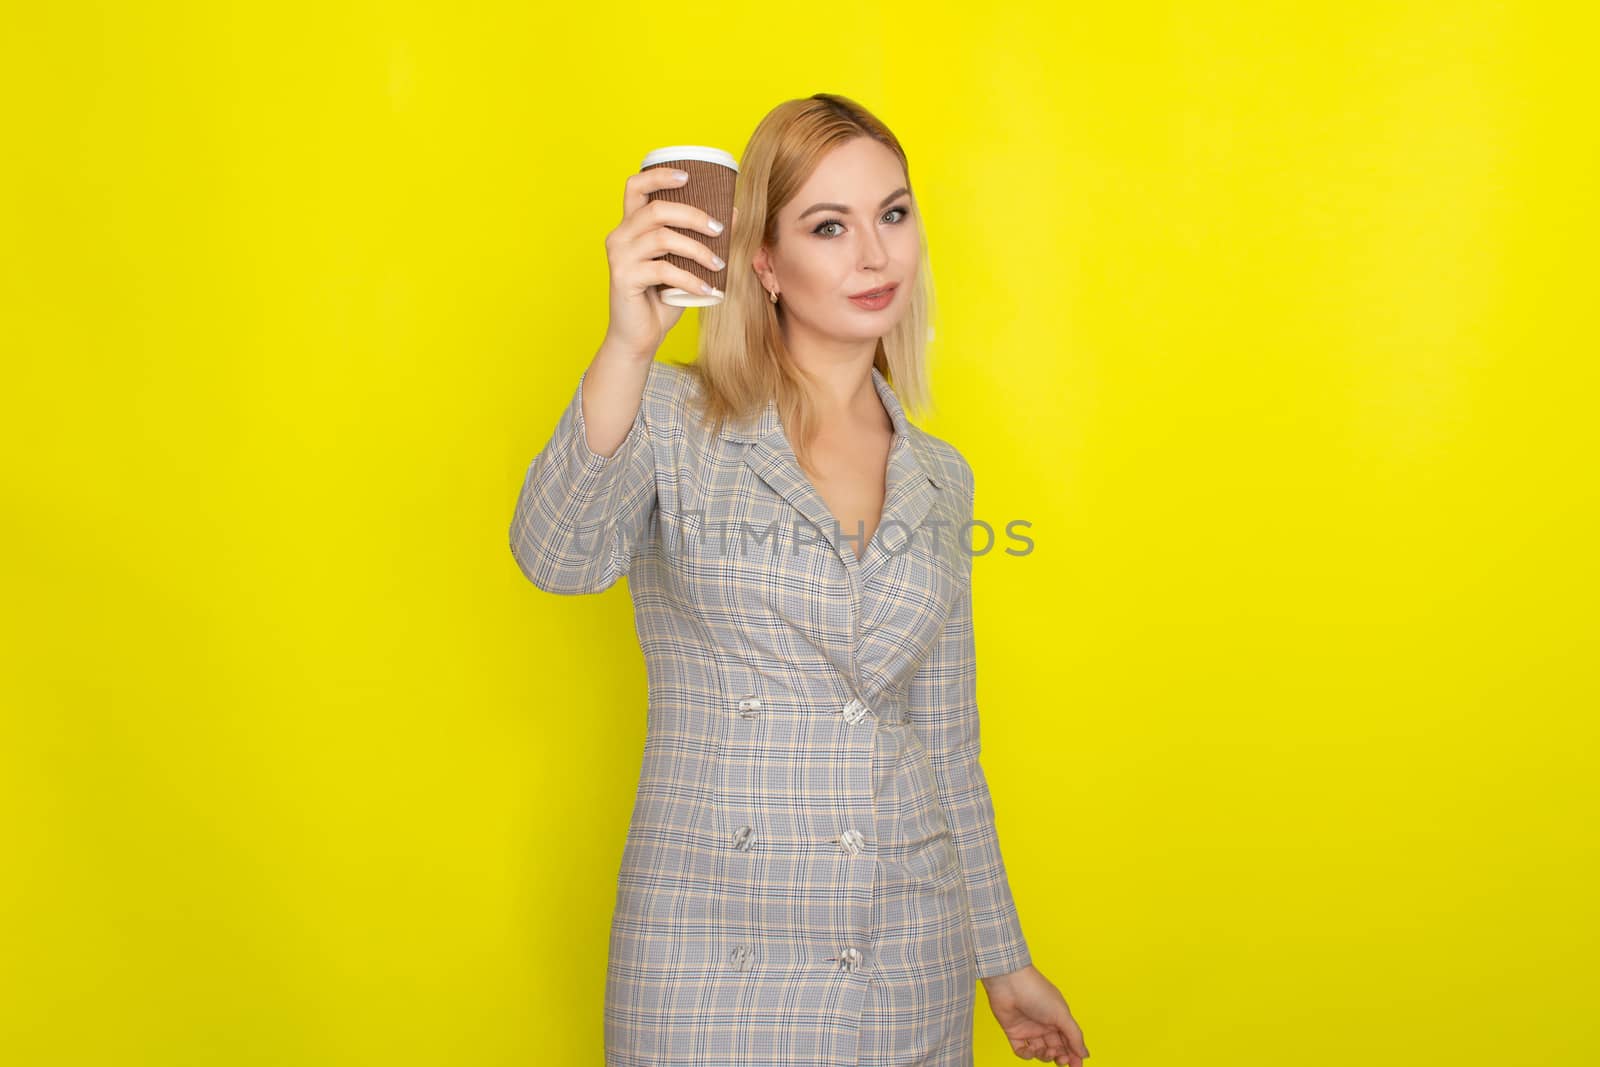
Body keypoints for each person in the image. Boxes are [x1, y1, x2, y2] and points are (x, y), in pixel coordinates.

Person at [511, 93, 1090, 1067]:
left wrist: (1004, 958)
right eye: (830, 225)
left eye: (892, 213)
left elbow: (946, 743)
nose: (875, 255)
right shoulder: (668, 414)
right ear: (765, 263)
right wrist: (626, 344)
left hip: (904, 954)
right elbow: (557, 558)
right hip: (708, 952)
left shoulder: (941, 476)